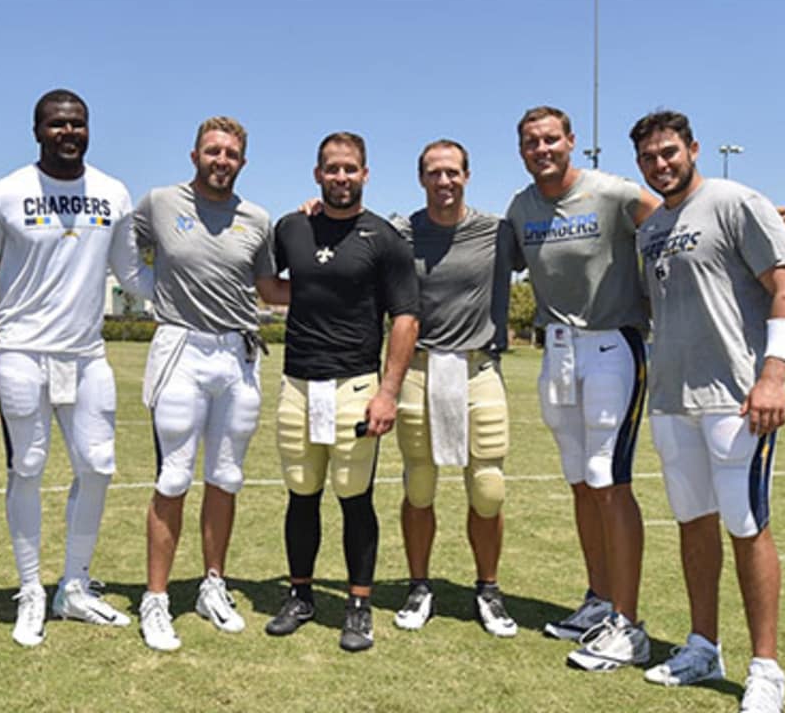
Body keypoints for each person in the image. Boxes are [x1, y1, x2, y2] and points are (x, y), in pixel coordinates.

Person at [0, 89, 150, 648]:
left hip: (87, 354)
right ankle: (30, 589)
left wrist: (207, 276)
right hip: (20, 350)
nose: (69, 133)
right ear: (37, 130)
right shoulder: (6, 193)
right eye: (58, 125)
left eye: (79, 124)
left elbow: (134, 278)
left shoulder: (112, 193)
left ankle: (74, 585)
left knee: (99, 465)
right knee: (30, 466)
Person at [630, 110, 785, 713]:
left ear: (694, 148)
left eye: (669, 152)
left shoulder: (735, 200)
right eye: (649, 158)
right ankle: (703, 645)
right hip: (671, 399)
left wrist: (774, 376)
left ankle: (766, 668)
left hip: (735, 397)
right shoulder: (649, 230)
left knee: (746, 524)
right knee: (693, 523)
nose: (661, 164)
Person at [504, 105, 657, 671]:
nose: (541, 149)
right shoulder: (522, 207)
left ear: (571, 141)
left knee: (608, 479)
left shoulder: (613, 192)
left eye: (550, 139)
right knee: (579, 482)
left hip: (613, 345)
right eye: (530, 142)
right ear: (520, 150)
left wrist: (747, 218)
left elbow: (677, 216)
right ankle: (598, 600)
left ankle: (629, 621)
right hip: (558, 353)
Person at [133, 116, 288, 652]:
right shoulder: (158, 202)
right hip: (180, 350)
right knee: (173, 478)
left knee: (227, 476)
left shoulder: (257, 218)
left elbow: (269, 287)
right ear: (195, 154)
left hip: (239, 353)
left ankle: (212, 584)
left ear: (242, 162)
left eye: (231, 154)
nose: (221, 160)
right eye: (212, 151)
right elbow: (118, 250)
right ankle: (155, 599)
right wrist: (148, 291)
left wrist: (336, 281)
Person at [265, 132, 419, 653]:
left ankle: (358, 605)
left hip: (355, 385)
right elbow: (269, 287)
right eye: (332, 168)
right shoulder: (291, 228)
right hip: (297, 384)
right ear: (317, 174)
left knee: (355, 499)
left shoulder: (385, 238)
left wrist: (388, 392)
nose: (341, 177)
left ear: (366, 174)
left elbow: (405, 318)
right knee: (300, 495)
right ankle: (301, 595)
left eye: (350, 168)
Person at [388, 140, 517, 638]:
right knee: (419, 484)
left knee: (487, 487)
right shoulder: (400, 232)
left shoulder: (498, 231)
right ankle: (419, 586)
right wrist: (312, 212)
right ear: (422, 179)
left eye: (453, 173)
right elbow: (350, 233)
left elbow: (556, 250)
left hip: (479, 368)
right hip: (419, 370)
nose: (444, 182)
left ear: (468, 175)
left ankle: (488, 589)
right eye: (434, 174)